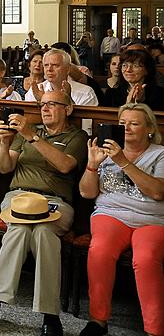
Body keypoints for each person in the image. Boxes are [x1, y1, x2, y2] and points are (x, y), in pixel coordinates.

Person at [0, 88, 88, 336]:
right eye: (42, 104)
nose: (44, 108)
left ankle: (43, 313)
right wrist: (4, 143)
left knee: (42, 232)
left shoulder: (77, 136)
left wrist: (32, 136)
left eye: (52, 104)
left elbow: (65, 165)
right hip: (19, 197)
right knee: (20, 228)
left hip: (56, 202)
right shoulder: (29, 130)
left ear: (68, 109)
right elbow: (4, 166)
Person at [76, 102, 164, 336]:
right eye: (123, 123)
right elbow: (87, 193)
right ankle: (98, 320)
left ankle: (154, 329)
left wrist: (123, 161)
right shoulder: (105, 151)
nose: (127, 128)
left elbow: (158, 192)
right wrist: (92, 166)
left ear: (149, 129)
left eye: (134, 123)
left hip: (151, 219)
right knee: (100, 251)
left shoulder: (160, 154)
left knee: (146, 259)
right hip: (111, 214)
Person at [24, 48, 99, 107]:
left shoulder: (86, 93)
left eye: (55, 65)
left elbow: (84, 125)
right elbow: (29, 121)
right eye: (46, 65)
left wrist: (68, 102)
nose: (49, 69)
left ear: (68, 69)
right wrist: (42, 102)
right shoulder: (35, 90)